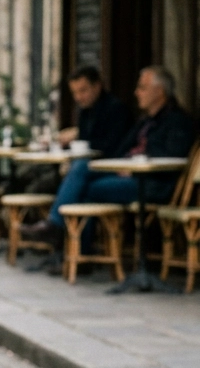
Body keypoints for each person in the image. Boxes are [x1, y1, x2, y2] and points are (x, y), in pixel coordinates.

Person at [25, 66, 193, 247]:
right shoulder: (145, 121)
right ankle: (74, 251)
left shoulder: (177, 121)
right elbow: (121, 150)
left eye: (142, 88)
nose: (137, 93)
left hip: (152, 184)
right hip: (129, 177)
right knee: (82, 177)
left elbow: (172, 160)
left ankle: (61, 236)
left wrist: (132, 169)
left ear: (159, 91)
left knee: (83, 183)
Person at [23, 65, 129, 243]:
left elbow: (112, 147)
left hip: (112, 167)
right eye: (75, 92)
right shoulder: (84, 111)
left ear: (97, 86)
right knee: (81, 190)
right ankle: (79, 255)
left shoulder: (116, 109)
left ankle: (54, 225)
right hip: (90, 171)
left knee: (79, 169)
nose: (79, 97)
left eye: (83, 90)